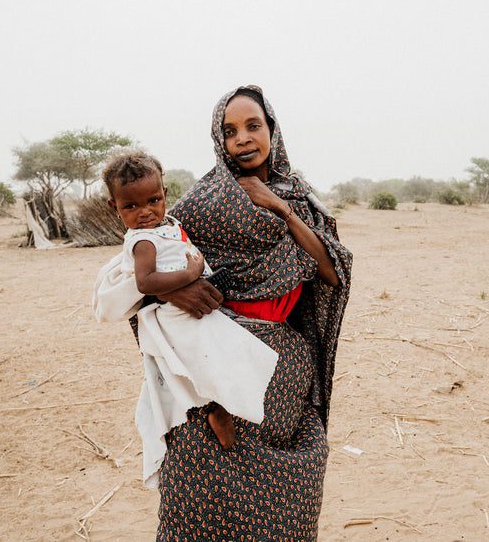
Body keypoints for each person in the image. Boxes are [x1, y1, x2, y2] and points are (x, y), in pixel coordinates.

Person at [93, 86, 352, 540]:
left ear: (272, 128)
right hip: (214, 369)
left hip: (284, 372)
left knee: (287, 495)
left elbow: (331, 273)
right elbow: (149, 268)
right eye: (230, 131)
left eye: (253, 126)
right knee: (199, 488)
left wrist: (278, 208)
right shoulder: (201, 202)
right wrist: (176, 293)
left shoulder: (300, 197)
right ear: (219, 138)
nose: (243, 139)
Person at [95, 151, 279, 489]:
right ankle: (217, 409)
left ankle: (224, 405)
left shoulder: (169, 225)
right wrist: (191, 272)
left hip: (194, 306)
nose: (146, 212)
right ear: (114, 208)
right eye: (131, 207)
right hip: (174, 315)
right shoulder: (142, 241)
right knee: (204, 361)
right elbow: (145, 283)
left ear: (165, 193)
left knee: (224, 355)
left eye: (153, 200)